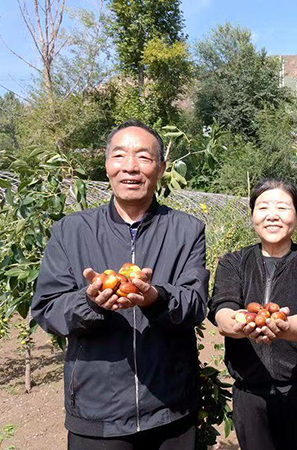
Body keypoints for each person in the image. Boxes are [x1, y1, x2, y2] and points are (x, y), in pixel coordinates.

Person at [32, 120, 210, 449]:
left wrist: (156, 298)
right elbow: (47, 310)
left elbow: (196, 304)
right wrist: (90, 303)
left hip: (169, 409)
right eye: (119, 156)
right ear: (107, 165)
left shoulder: (187, 230)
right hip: (97, 413)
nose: (130, 167)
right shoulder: (71, 231)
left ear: (161, 168)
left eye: (144, 157)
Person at [209, 179, 297, 450]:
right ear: (253, 214)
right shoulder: (234, 263)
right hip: (250, 391)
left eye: (282, 207)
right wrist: (238, 324)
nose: (272, 215)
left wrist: (283, 326)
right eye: (263, 207)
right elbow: (223, 310)